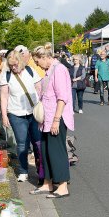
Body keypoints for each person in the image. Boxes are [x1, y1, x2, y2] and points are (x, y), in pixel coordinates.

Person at [30, 43, 74, 198]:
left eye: (37, 62)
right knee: (46, 150)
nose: (37, 65)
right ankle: (47, 184)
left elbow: (62, 97)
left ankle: (62, 186)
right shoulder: (49, 71)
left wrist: (56, 120)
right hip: (46, 119)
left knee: (57, 152)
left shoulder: (59, 70)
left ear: (44, 57)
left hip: (56, 118)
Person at [0, 50, 43, 183]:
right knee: (22, 143)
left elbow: (39, 87)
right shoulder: (6, 75)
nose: (14, 67)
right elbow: (4, 96)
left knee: (38, 143)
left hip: (33, 112)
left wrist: (41, 105)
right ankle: (23, 171)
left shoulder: (30, 71)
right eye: (11, 65)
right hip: (16, 113)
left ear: (21, 62)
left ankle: (41, 170)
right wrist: (4, 115)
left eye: (15, 65)